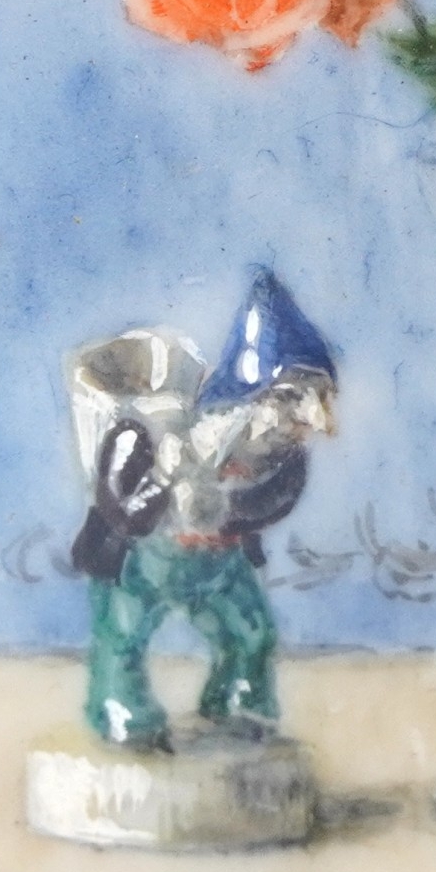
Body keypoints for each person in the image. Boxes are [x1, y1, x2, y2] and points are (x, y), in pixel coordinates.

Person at [68, 271, 337, 751]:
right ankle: (123, 713)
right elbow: (122, 510)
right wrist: (162, 484)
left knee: (249, 633)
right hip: (141, 563)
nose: (307, 419)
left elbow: (277, 499)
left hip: (219, 564)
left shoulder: (284, 459)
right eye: (292, 397)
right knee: (122, 638)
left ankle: (240, 706)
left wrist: (225, 509)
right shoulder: (141, 433)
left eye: (316, 397)